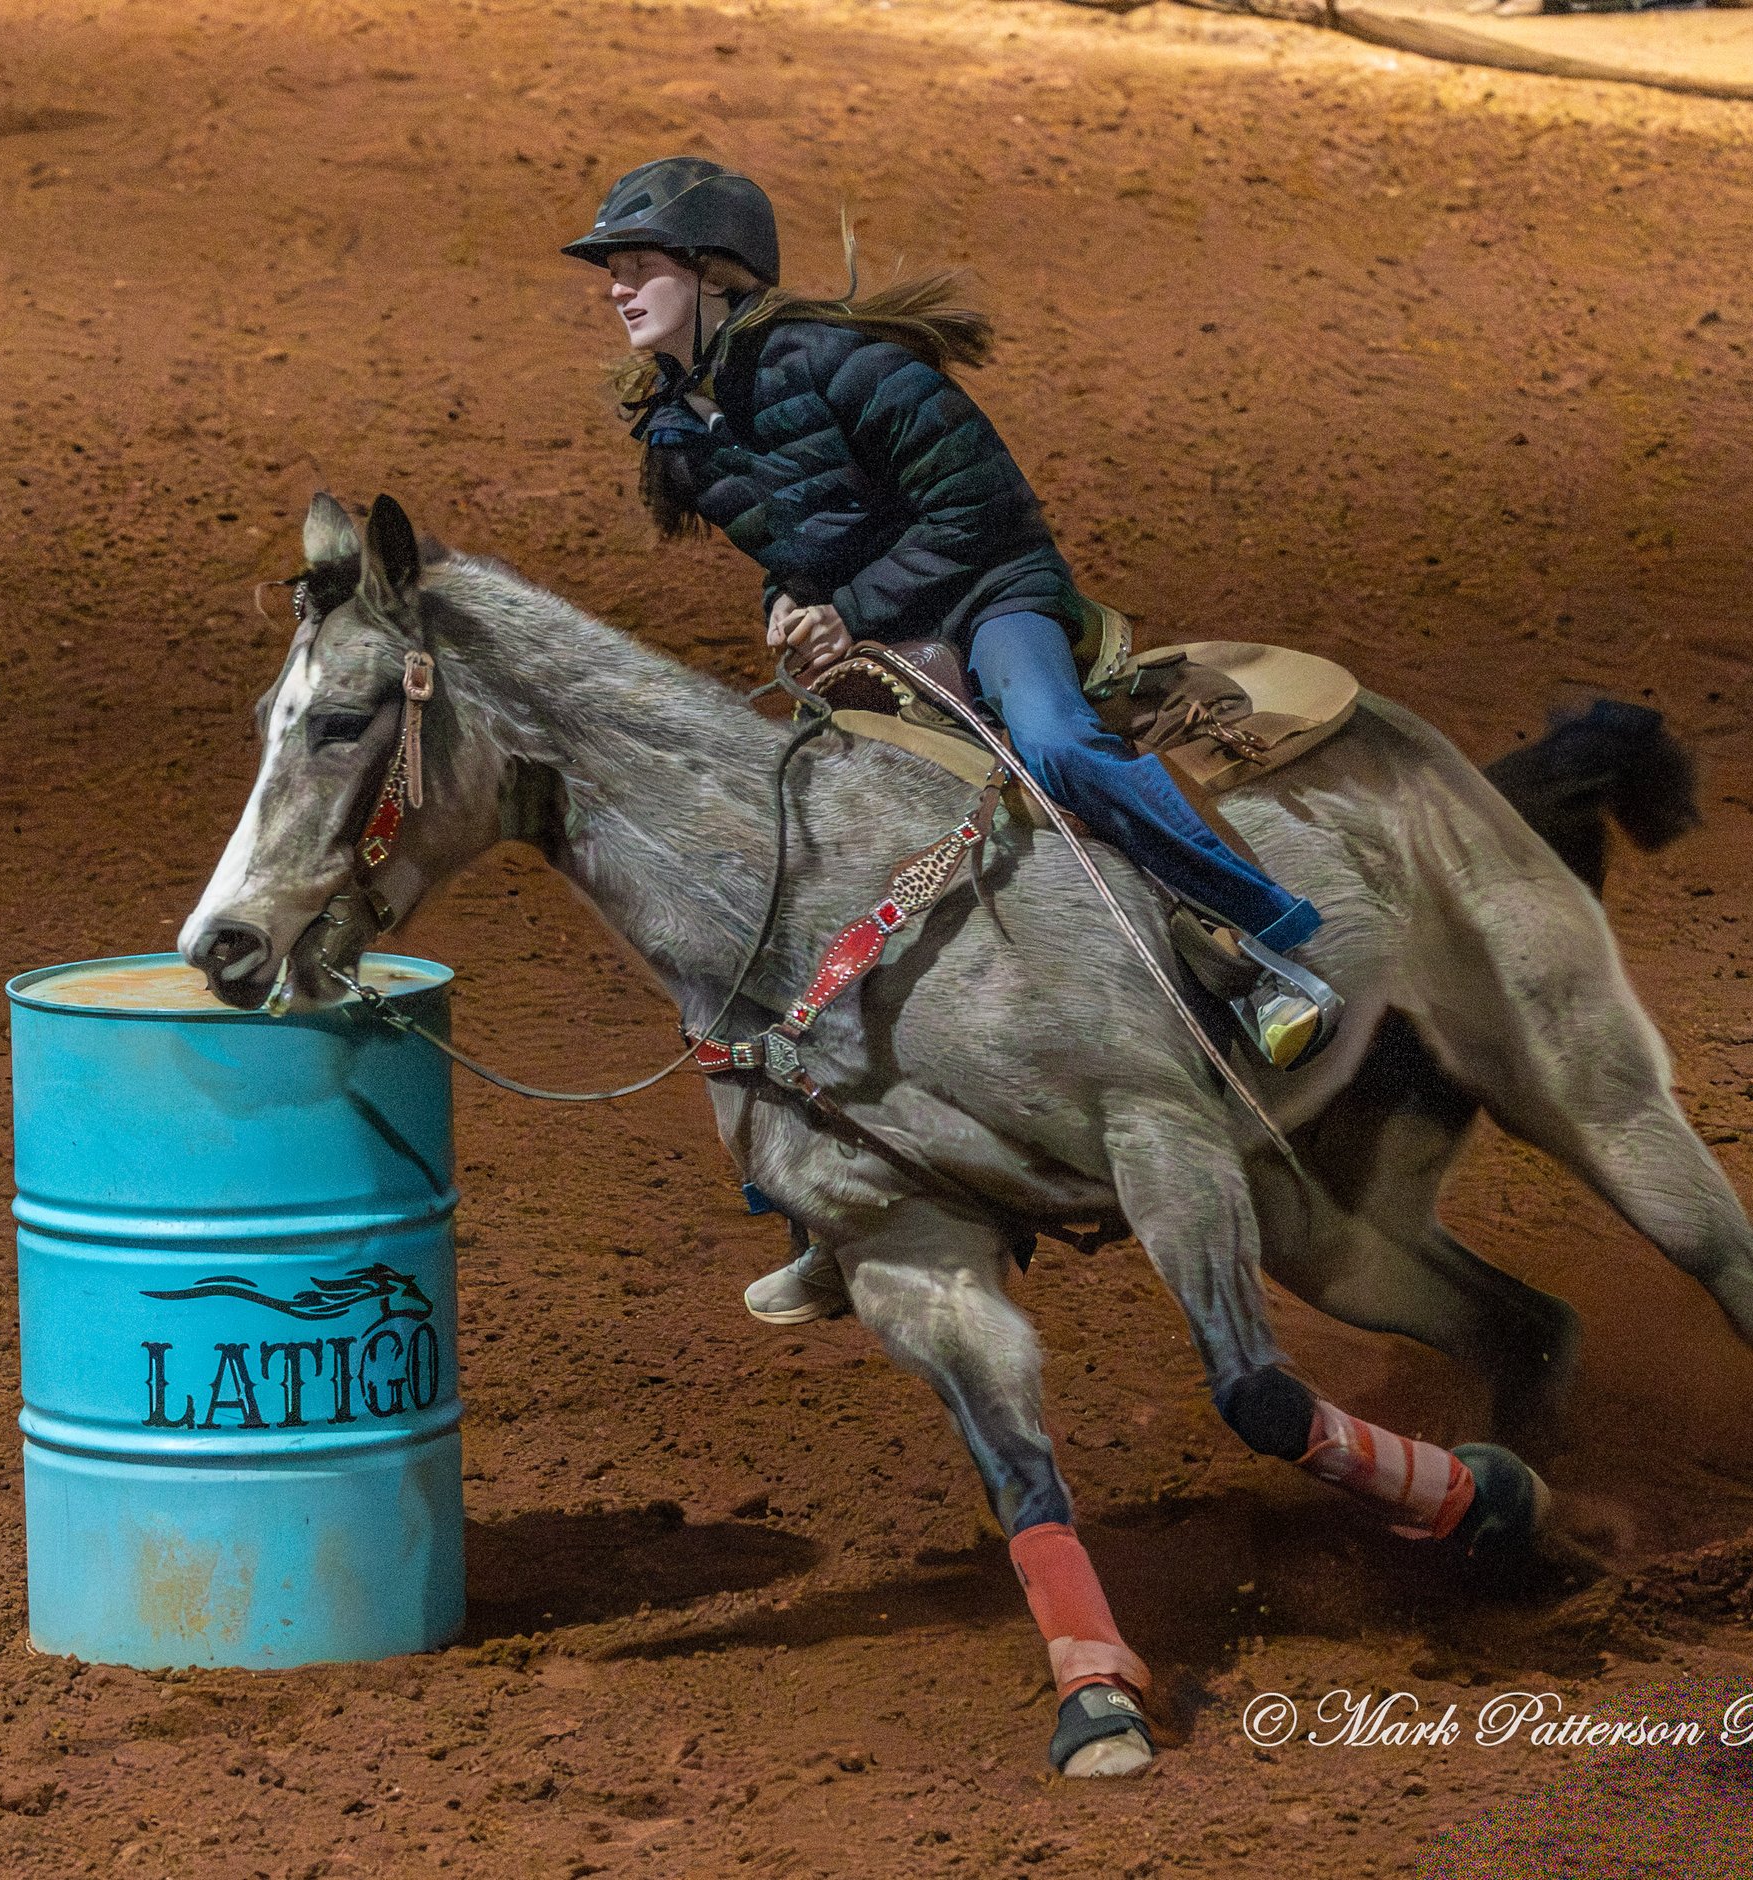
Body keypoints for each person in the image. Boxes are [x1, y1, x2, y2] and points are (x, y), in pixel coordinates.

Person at [563, 156, 1341, 1324]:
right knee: (795, 851)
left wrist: (852, 610)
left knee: (1061, 749)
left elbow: (978, 506)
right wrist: (788, 604)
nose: (618, 290)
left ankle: (1262, 949)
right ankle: (834, 1194)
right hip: (879, 637)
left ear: (715, 276)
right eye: (612, 272)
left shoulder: (846, 364)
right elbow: (800, 540)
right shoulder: (677, 423)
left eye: (639, 266)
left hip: (994, 598)